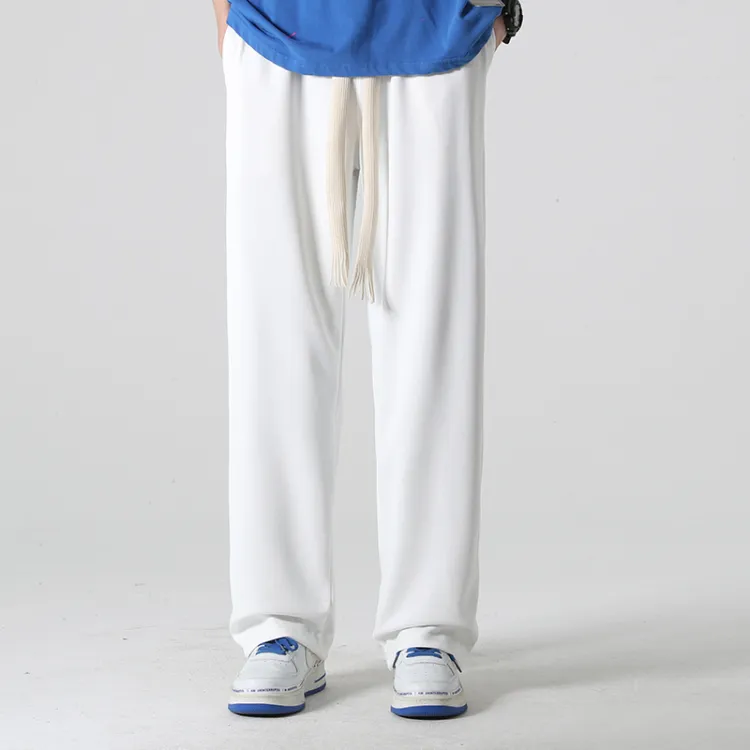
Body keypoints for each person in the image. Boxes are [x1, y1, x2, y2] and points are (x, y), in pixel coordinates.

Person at [212, 0, 523, 720]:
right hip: (275, 25)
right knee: (274, 336)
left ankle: (428, 627)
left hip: (435, 29)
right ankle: (279, 622)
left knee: (432, 334)